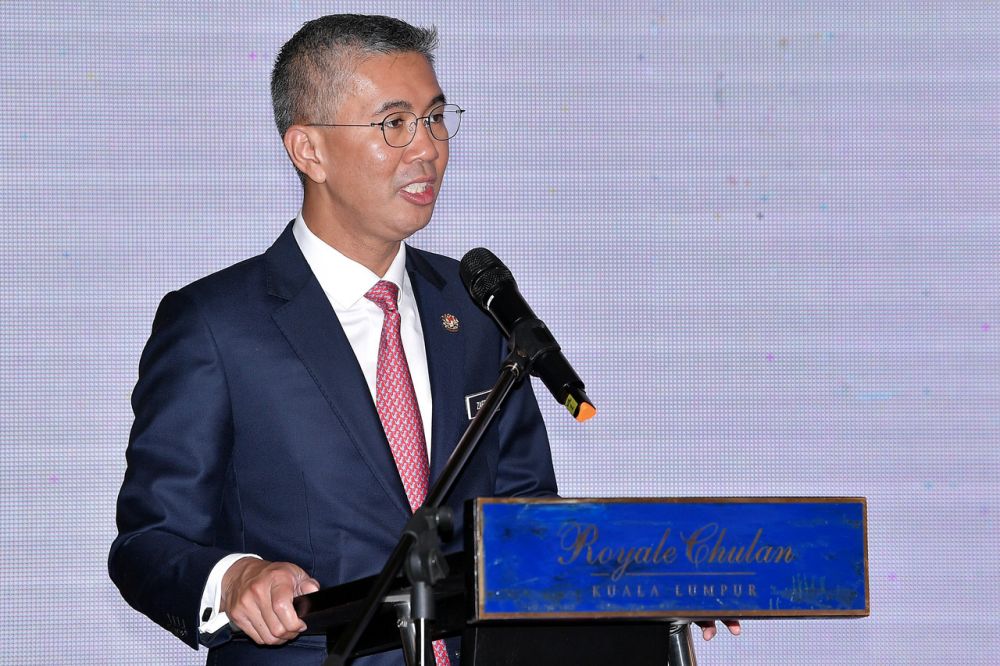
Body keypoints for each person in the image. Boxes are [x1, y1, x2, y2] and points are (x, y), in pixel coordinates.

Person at [109, 14, 736, 665]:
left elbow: (525, 525)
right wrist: (235, 578)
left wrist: (650, 583)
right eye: (395, 123)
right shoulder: (216, 325)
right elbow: (150, 543)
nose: (428, 148)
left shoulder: (476, 308)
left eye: (436, 118)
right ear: (309, 150)